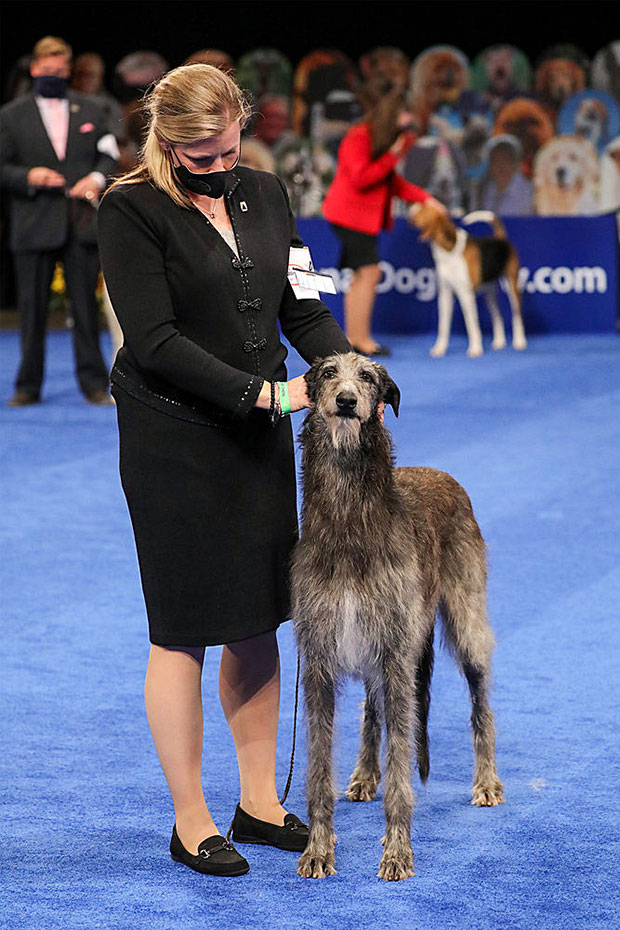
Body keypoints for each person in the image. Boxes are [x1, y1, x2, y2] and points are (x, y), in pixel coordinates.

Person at [97, 63, 351, 877]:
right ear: (164, 142)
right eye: (196, 157)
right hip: (174, 438)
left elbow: (303, 302)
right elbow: (154, 342)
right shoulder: (128, 209)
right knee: (182, 629)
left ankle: (259, 802)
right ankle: (191, 818)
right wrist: (269, 393)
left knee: (256, 614)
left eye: (227, 151)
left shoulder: (270, 193)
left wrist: (344, 368)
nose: (214, 168)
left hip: (260, 435)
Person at [0, 36, 119, 406]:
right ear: (34, 69)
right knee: (32, 311)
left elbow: (109, 153)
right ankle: (27, 385)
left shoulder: (92, 108)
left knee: (85, 308)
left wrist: (96, 180)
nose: (54, 75)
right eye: (47, 69)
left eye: (61, 69)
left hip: (78, 221)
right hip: (33, 222)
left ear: (69, 70)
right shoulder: (10, 115)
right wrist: (29, 177)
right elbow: (2, 168)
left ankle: (94, 384)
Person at [322, 82, 443, 356]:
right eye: (405, 114)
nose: (409, 121)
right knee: (369, 272)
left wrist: (426, 198)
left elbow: (393, 183)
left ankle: (353, 338)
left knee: (362, 275)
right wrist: (394, 154)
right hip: (348, 215)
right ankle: (360, 340)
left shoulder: (386, 140)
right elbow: (362, 178)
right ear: (392, 113)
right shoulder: (360, 136)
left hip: (364, 218)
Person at [482, 134, 533, 215]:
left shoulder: (531, 192)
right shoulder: (483, 190)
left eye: (506, 159)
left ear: (516, 163)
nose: (501, 165)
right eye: (496, 160)